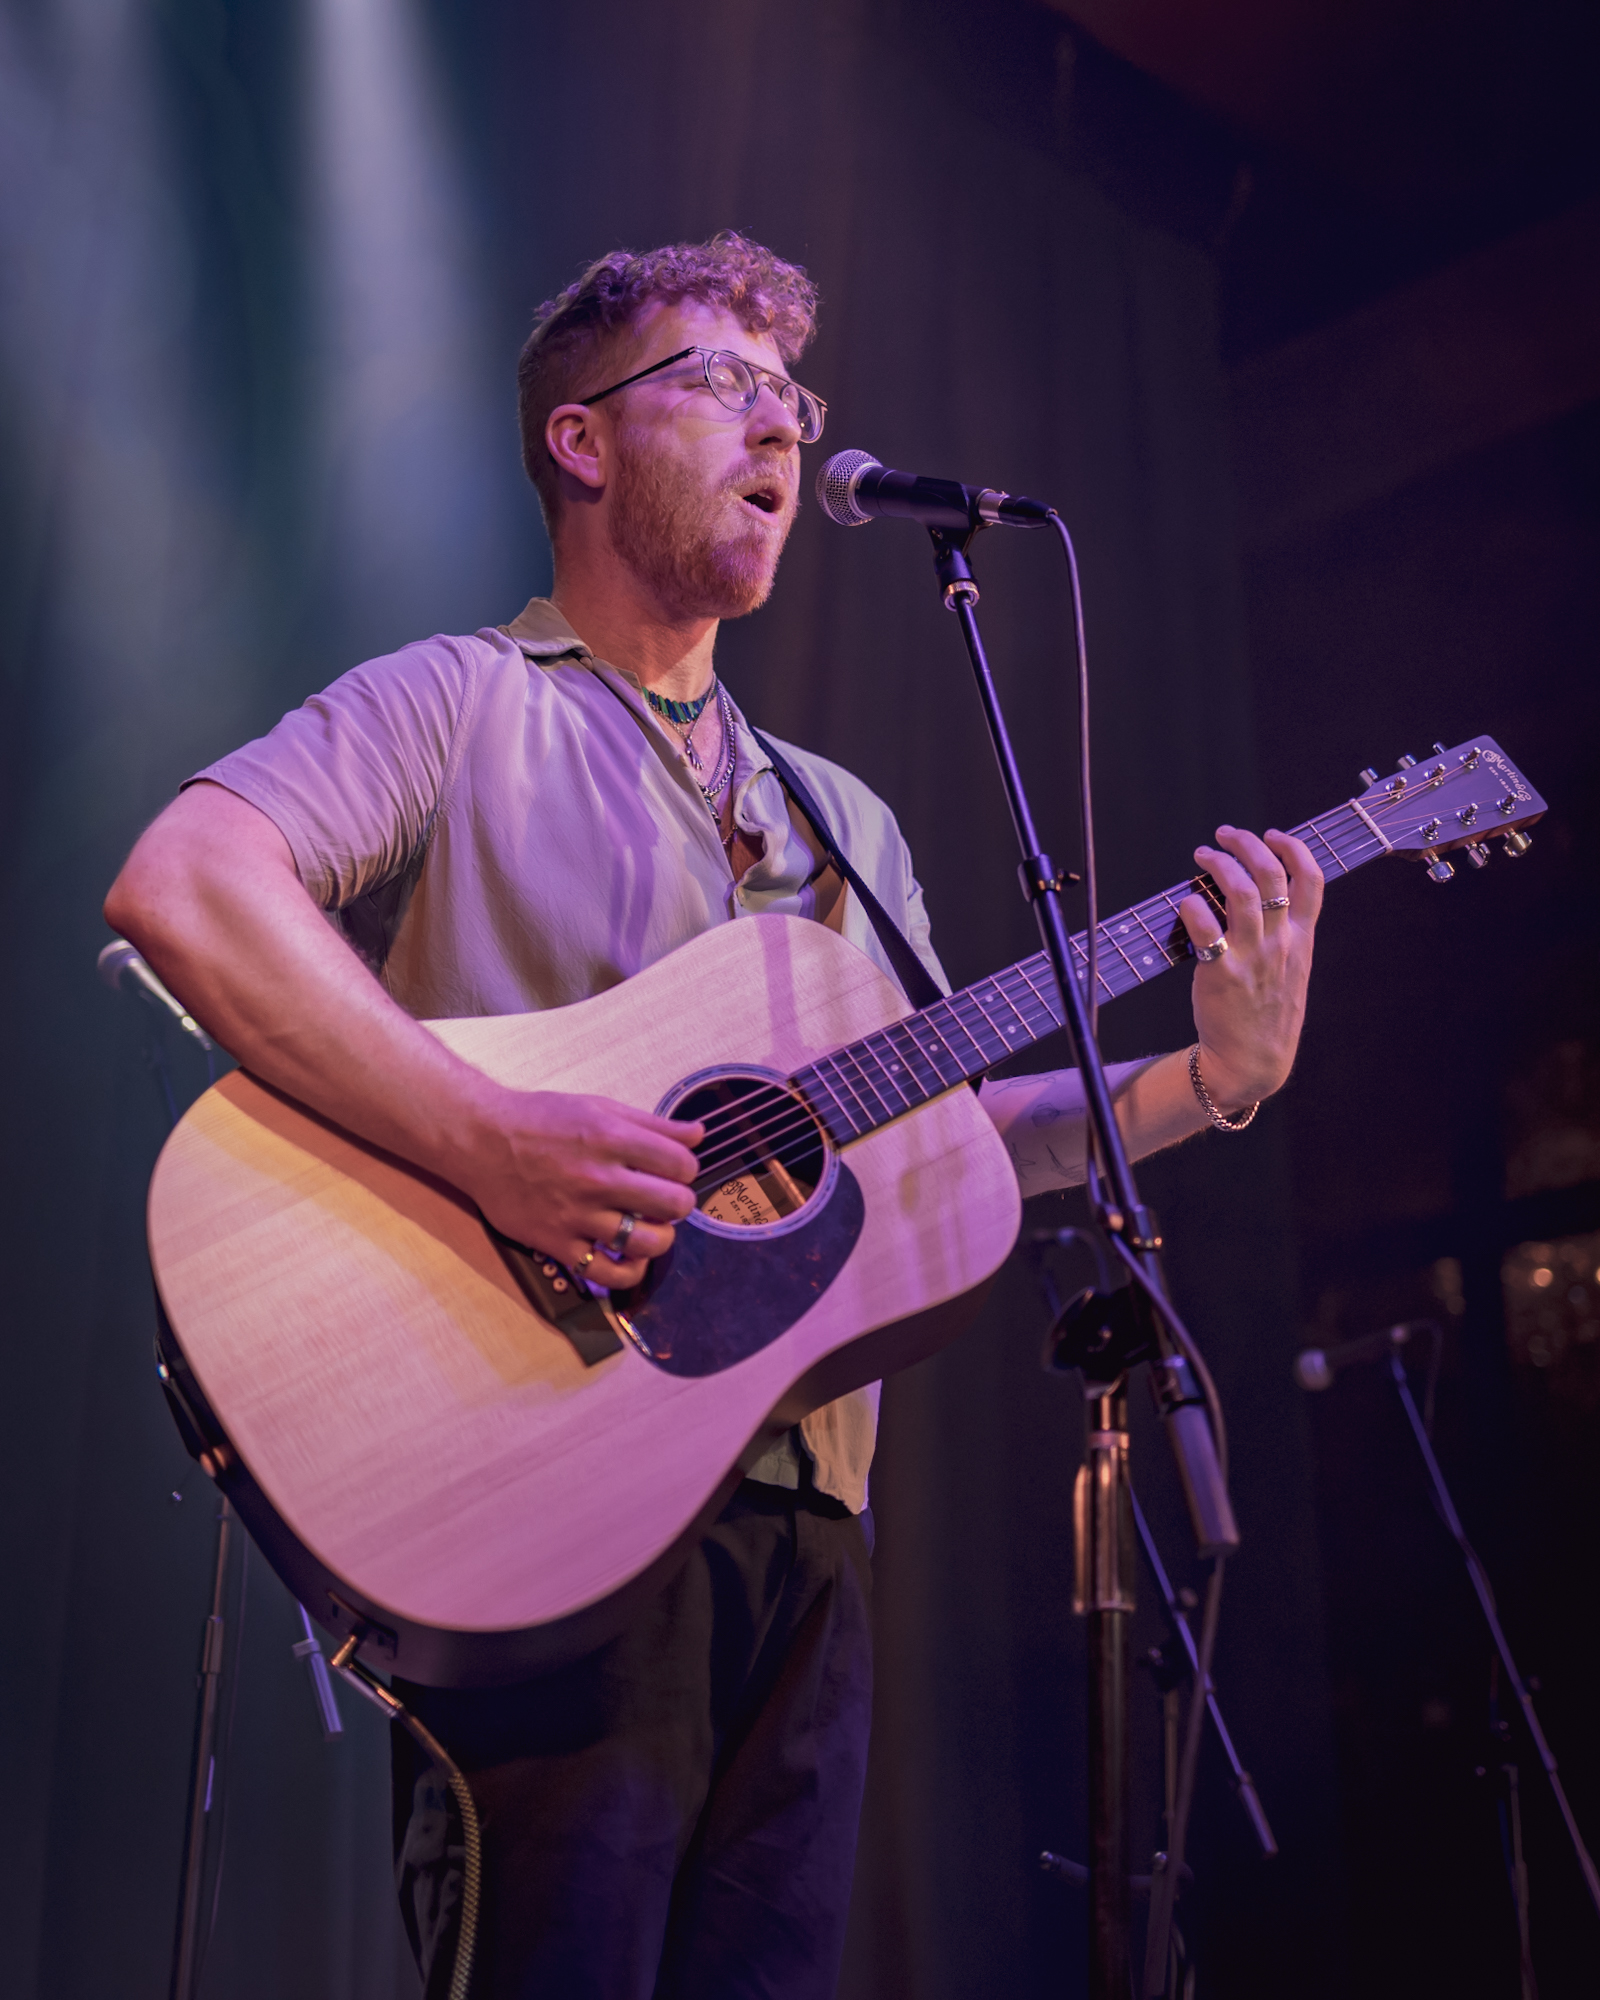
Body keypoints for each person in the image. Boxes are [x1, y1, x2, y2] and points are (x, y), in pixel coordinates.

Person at [104, 231, 1321, 1998]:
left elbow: (940, 1139)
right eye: (728, 383)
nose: (781, 428)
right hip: (539, 1492)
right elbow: (186, 883)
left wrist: (1209, 1081)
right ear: (584, 439)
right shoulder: (459, 704)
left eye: (794, 398)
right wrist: (491, 1141)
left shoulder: (844, 823)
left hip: (808, 1534)